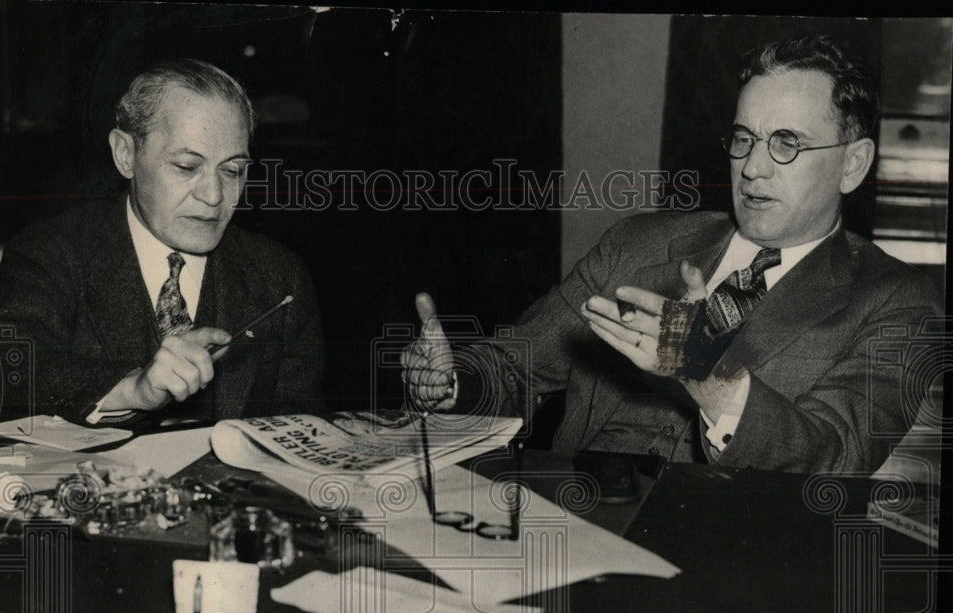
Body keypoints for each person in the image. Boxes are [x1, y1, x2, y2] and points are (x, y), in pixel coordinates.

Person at [402, 35, 942, 474]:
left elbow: (837, 459)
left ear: (853, 164)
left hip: (726, 563)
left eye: (786, 143)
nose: (752, 167)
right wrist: (452, 382)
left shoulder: (897, 302)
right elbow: (515, 368)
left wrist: (716, 380)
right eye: (743, 138)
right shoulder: (638, 243)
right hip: (569, 518)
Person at [0, 59, 324, 425]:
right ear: (125, 154)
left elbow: (298, 432)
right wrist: (131, 388)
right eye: (187, 167)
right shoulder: (52, 252)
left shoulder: (280, 278)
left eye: (233, 170)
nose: (214, 195)